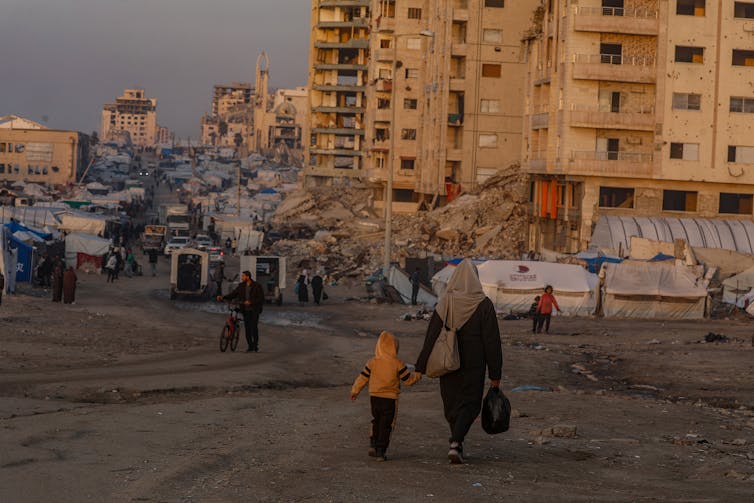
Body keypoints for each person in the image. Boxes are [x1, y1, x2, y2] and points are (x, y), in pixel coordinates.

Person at [415, 259, 502, 464]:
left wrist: (421, 365)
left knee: (452, 404)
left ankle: (456, 442)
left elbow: (432, 334)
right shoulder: (483, 304)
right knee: (469, 404)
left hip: (448, 362)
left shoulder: (446, 302)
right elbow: (492, 341)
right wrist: (495, 374)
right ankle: (456, 442)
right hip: (474, 364)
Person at [350, 331, 421, 461]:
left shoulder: (372, 362)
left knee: (376, 420)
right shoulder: (398, 363)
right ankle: (381, 451)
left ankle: (373, 442)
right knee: (386, 425)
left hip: (374, 397)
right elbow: (408, 380)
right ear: (395, 347)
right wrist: (419, 374)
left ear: (378, 346)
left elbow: (362, 378)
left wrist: (355, 391)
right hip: (390, 399)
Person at [218, 270, 265, 352]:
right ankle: (250, 346)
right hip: (245, 310)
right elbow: (234, 294)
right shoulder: (241, 286)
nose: (242, 278)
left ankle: (255, 345)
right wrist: (223, 297)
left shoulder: (257, 286)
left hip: (254, 310)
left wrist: (251, 302)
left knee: (253, 327)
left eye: (243, 276)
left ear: (248, 277)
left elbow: (261, 299)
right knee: (247, 328)